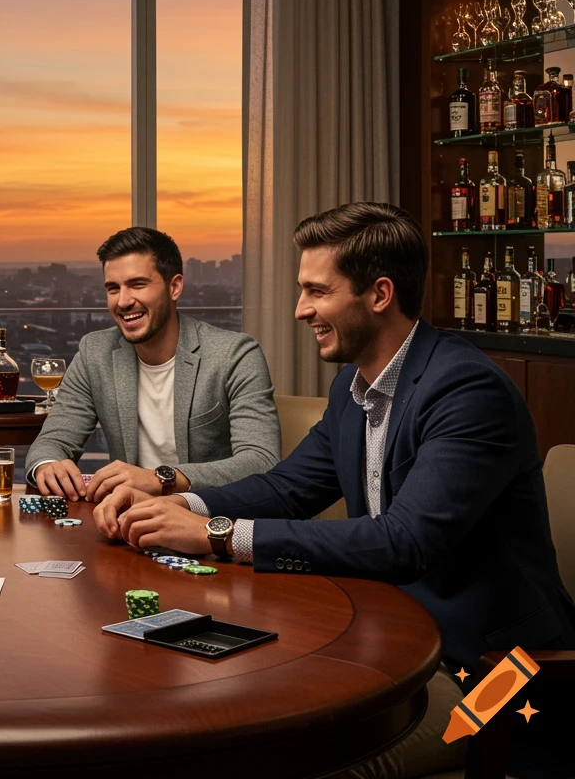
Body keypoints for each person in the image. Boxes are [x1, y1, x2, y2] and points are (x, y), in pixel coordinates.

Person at [94, 202, 575, 779]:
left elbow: (404, 543)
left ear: (379, 294)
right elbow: (289, 488)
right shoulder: (353, 383)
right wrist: (179, 504)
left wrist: (216, 535)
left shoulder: (467, 391)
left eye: (317, 292)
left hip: (493, 677)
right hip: (390, 643)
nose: (301, 311)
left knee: (306, 767)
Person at [26, 227, 280, 503]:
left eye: (137, 285)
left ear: (175, 287)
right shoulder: (94, 352)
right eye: (113, 288)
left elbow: (261, 461)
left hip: (210, 523)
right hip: (128, 525)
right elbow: (52, 441)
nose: (123, 301)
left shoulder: (235, 354)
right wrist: (48, 465)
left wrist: (161, 479)